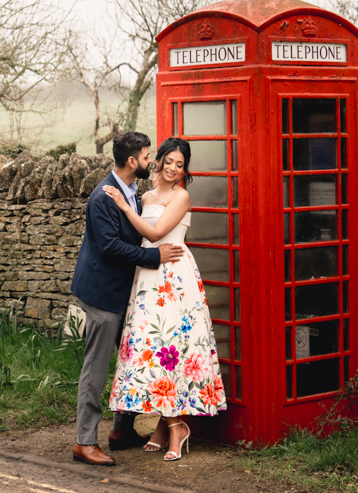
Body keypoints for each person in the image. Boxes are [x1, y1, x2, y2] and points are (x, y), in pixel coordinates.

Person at [103, 137, 227, 463]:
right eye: (168, 161)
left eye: (180, 164)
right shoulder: (145, 195)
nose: (173, 168)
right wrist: (129, 206)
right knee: (152, 350)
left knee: (170, 348)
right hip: (147, 276)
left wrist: (125, 206)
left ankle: (176, 428)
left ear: (185, 170)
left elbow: (157, 234)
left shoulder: (181, 196)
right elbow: (141, 237)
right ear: (157, 161)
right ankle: (166, 425)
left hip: (174, 276)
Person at [70, 132, 185, 467]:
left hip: (129, 292)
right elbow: (109, 248)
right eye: (148, 156)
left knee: (133, 359)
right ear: (133, 161)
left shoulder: (132, 191)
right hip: (104, 294)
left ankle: (121, 430)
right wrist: (155, 257)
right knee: (96, 367)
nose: (155, 162)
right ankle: (85, 442)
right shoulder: (103, 197)